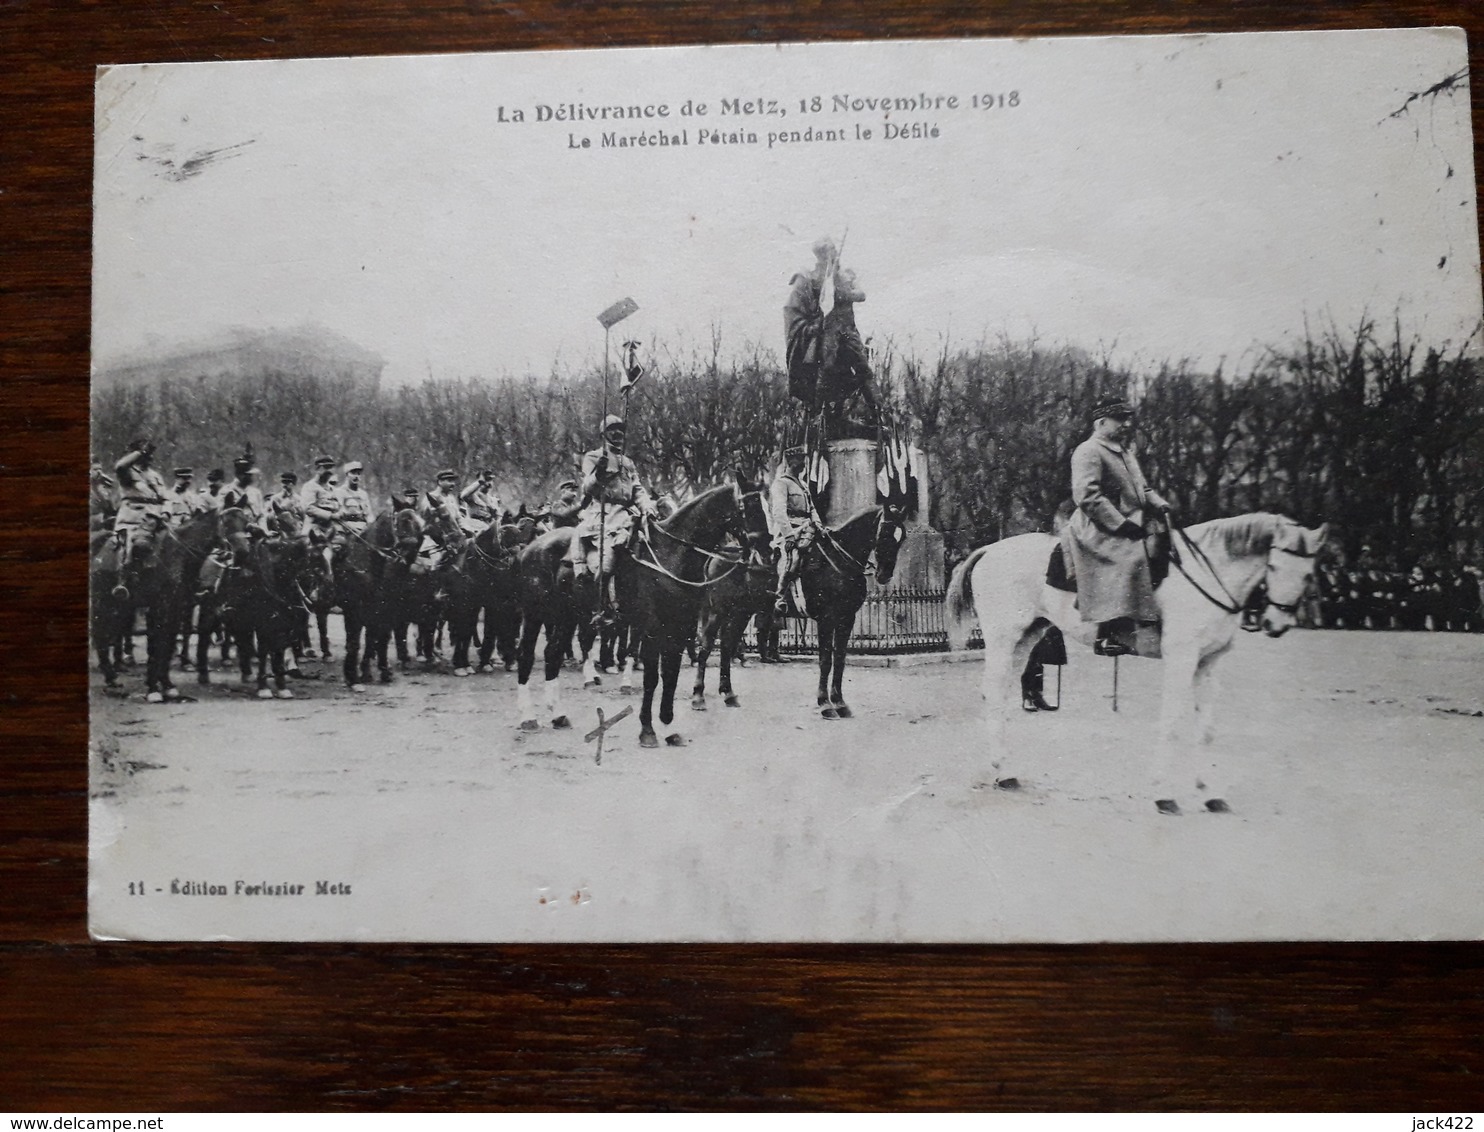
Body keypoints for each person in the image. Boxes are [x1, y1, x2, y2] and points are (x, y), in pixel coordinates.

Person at [1065, 395, 1174, 656]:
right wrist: (1121, 525)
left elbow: (1142, 488)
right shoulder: (1088, 451)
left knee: (1168, 545)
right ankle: (1108, 634)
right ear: (1101, 422)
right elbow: (1087, 496)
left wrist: (1160, 504)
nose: (1125, 425)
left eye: (1127, 420)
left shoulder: (1125, 453)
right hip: (1097, 525)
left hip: (1134, 519)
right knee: (1129, 557)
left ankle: (1153, 616)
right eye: (1120, 420)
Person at [571, 415, 657, 620]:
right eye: (612, 429)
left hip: (626, 516)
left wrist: (647, 507)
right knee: (607, 562)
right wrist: (599, 472)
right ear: (603, 434)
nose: (617, 433)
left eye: (620, 429)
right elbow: (588, 488)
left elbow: (637, 489)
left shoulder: (628, 462)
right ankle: (599, 608)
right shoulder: (593, 456)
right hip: (602, 514)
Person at [767, 446, 820, 613]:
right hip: (790, 530)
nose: (804, 464)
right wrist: (789, 536)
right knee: (793, 558)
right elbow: (779, 512)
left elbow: (812, 509)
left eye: (804, 461)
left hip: (808, 528)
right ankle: (779, 597)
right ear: (790, 462)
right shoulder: (781, 484)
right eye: (800, 461)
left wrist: (819, 526)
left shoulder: (803, 484)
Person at [112, 438, 169, 561]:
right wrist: (140, 452)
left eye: (151, 454)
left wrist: (166, 513)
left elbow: (166, 499)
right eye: (147, 454)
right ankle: (126, 578)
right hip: (133, 522)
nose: (151, 457)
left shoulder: (156, 476)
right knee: (135, 551)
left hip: (156, 521)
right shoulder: (126, 472)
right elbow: (119, 466)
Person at [269, 471, 307, 536]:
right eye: (283, 482)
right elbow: (270, 516)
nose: (285, 485)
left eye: (288, 482)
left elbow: (303, 516)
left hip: (295, 530)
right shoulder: (275, 498)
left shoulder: (299, 499)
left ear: (293, 484)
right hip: (279, 529)